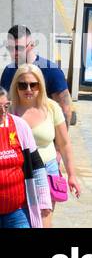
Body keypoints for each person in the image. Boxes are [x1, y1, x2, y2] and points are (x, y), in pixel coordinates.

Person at [9, 65, 79, 224]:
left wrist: (72, 175)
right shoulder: (9, 110)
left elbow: (64, 144)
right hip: (18, 171)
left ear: (40, 85)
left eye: (33, 84)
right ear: (15, 86)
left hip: (47, 170)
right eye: (22, 85)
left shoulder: (51, 107)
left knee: (44, 217)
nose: (28, 89)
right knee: (21, 219)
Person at [0, 85, 51, 228]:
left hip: (18, 210)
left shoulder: (20, 126)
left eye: (6, 106)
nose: (3, 112)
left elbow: (36, 165)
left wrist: (44, 200)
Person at [3, 27, 72, 124]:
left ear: (32, 45)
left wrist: (59, 138)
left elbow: (66, 111)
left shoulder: (52, 71)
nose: (14, 52)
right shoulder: (8, 71)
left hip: (42, 136)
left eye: (19, 48)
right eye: (10, 48)